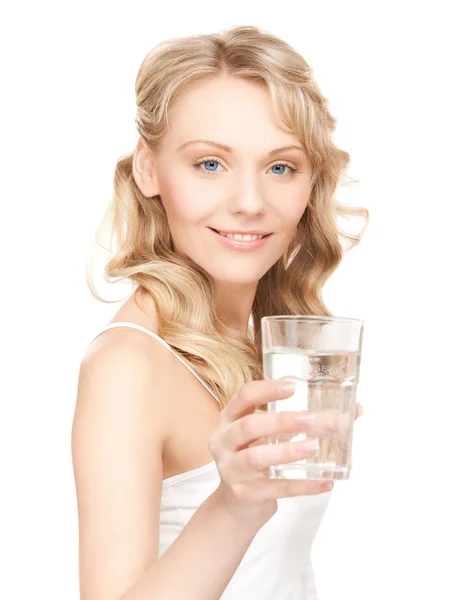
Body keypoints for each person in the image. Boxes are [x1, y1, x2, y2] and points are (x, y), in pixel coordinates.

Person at [71, 24, 369, 600]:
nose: (251, 202)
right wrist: (233, 506)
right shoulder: (128, 365)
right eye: (210, 164)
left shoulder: (267, 337)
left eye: (281, 167)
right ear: (148, 169)